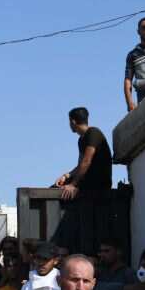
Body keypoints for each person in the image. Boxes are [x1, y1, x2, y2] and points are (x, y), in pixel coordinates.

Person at [52, 108, 114, 256]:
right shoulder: (82, 139)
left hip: (98, 187)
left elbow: (87, 160)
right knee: (55, 187)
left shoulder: (93, 133)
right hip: (87, 184)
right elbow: (80, 164)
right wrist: (67, 176)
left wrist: (73, 185)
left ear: (72, 122)